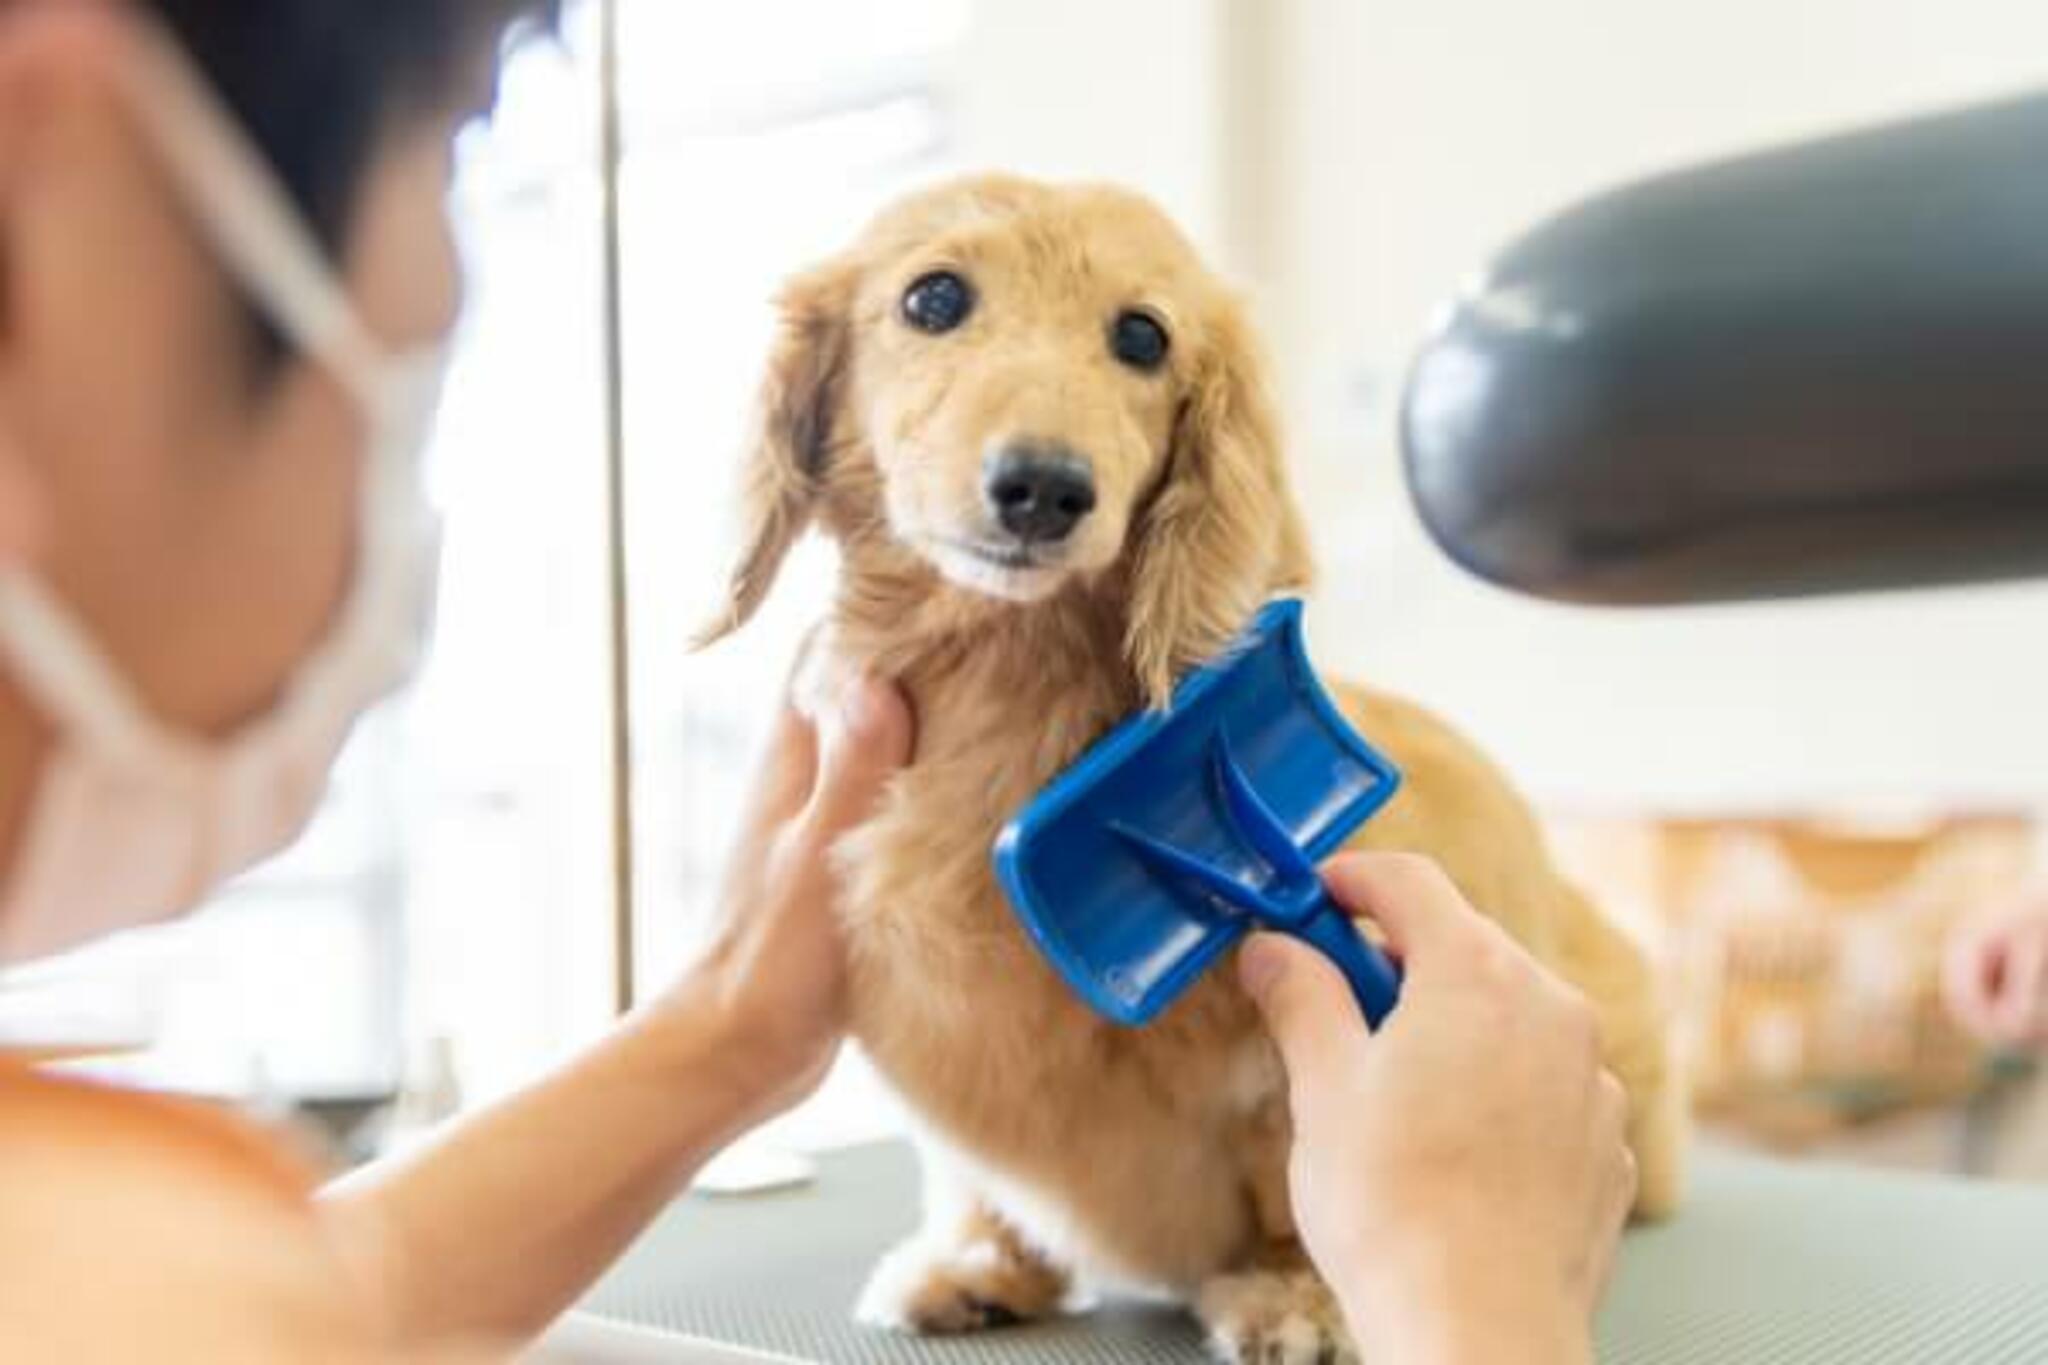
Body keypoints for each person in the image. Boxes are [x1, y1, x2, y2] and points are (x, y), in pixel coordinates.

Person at [0, 2, 1636, 1360]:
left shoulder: (101, 1249)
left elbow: (317, 1311)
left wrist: (729, 1027)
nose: (445, 291)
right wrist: (1477, 1304)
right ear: (52, 170)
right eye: (447, 161)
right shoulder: (140, 1249)